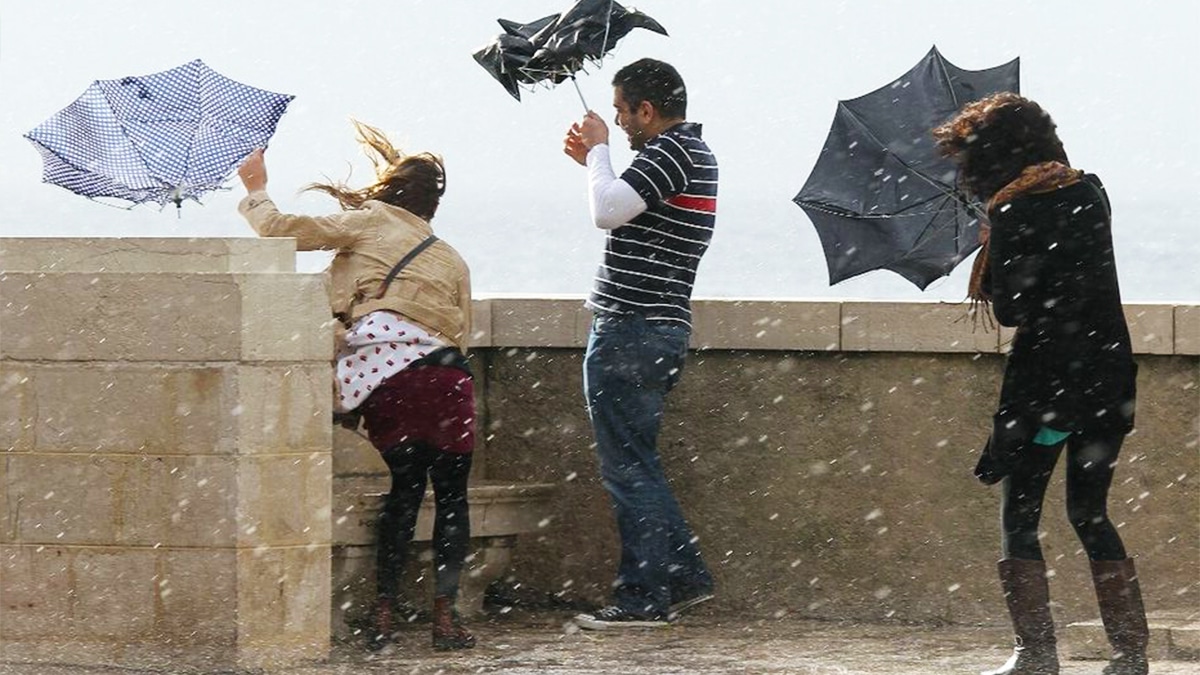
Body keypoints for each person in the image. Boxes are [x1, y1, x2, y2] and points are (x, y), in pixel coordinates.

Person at [236, 122, 477, 652]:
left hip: (392, 378)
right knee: (453, 500)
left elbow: (279, 229)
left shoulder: (369, 223)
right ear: (431, 207)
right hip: (449, 379)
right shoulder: (450, 256)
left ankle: (385, 615)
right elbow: (462, 329)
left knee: (405, 492)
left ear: (387, 191)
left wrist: (255, 186)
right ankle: (445, 617)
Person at [934, 93, 1147, 675]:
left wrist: (995, 245)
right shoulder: (1090, 191)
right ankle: (1131, 655)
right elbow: (1081, 281)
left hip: (1048, 390)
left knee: (1020, 515)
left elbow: (1011, 309)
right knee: (1090, 512)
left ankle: (1035, 653)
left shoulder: (1011, 213)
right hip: (1106, 375)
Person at [561, 58, 717, 630]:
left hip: (632, 328)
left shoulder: (671, 153)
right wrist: (594, 161)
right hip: (653, 328)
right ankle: (682, 578)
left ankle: (643, 598)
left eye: (623, 112)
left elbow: (606, 211)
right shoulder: (685, 156)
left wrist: (599, 151)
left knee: (627, 468)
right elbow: (620, 204)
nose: (620, 122)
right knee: (637, 463)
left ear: (647, 110)